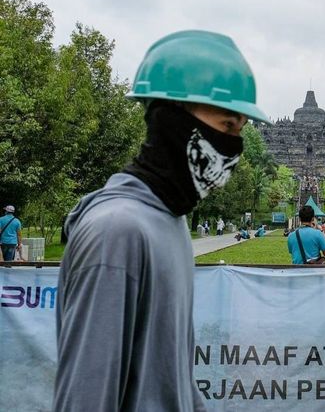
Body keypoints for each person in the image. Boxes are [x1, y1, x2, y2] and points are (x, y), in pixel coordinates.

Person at [54, 30, 269, 411]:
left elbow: (171, 381)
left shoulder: (170, 221)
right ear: (172, 119)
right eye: (227, 126)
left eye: (239, 129)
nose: (233, 148)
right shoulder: (116, 232)